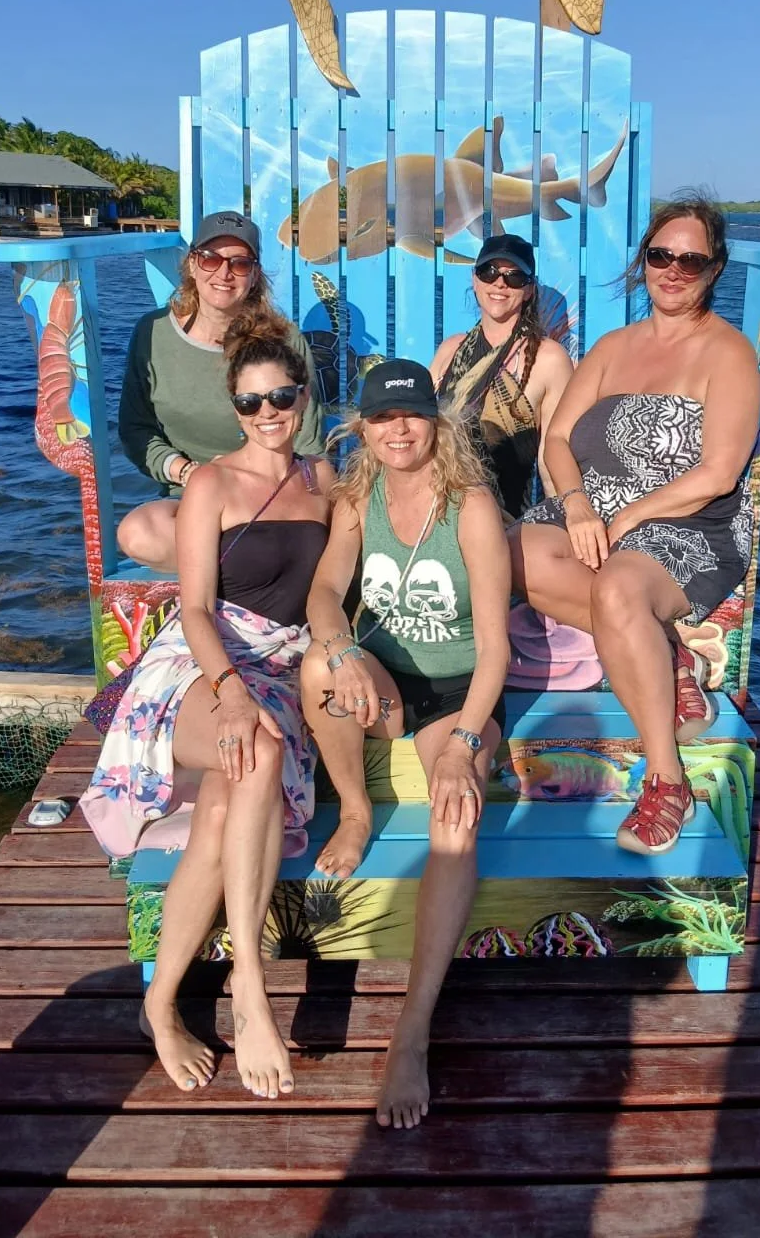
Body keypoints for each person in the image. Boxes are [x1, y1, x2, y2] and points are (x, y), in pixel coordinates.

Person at [82, 329, 334, 1099]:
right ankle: (251, 990)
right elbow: (192, 607)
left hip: (284, 664)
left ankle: (159, 1004)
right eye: (250, 401)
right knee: (250, 750)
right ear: (234, 407)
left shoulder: (326, 479)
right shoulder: (213, 486)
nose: (267, 412)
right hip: (207, 660)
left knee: (230, 798)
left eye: (280, 397)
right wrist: (228, 691)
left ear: (303, 397)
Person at [510, 193, 760, 856]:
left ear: (714, 268)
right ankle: (666, 657)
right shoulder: (614, 347)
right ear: (644, 260)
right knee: (501, 552)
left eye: (691, 259)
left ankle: (666, 778)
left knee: (620, 588)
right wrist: (578, 505)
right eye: (661, 255)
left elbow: (719, 474)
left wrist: (625, 519)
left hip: (688, 523)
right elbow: (559, 439)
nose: (673, 269)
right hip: (596, 508)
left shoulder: (728, 353)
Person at [301, 361, 510, 1130]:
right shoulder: (358, 495)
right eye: (382, 420)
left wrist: (461, 742)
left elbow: (497, 653)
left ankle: (412, 1032)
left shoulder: (472, 506)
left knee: (454, 817)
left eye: (412, 418)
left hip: (459, 695)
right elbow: (326, 589)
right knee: (317, 667)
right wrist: (341, 645)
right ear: (361, 428)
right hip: (386, 677)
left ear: (436, 422)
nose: (398, 431)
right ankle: (356, 811)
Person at [117, 210, 326, 570]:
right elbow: (135, 430)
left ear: (255, 274)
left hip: (270, 498)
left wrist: (243, 478)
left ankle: (233, 574)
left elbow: (308, 443)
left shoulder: (285, 341)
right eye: (210, 258)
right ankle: (251, 569)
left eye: (239, 263)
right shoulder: (151, 334)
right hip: (190, 494)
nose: (223, 273)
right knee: (138, 534)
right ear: (192, 265)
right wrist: (188, 472)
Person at [430, 234, 574, 520]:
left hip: (502, 521)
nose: (500, 283)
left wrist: (561, 522)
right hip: (437, 511)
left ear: (529, 290)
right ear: (475, 279)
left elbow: (553, 454)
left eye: (514, 277)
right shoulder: (450, 349)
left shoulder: (549, 359)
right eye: (489, 272)